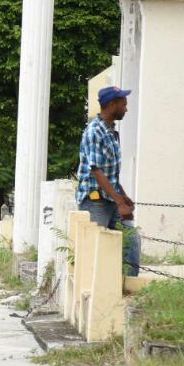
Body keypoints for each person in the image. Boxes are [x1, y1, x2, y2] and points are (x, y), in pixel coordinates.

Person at [77, 85, 141, 276]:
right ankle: (94, 293)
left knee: (131, 240)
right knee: (96, 250)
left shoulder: (111, 132)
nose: (126, 109)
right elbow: (97, 171)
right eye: (124, 104)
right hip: (95, 202)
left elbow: (111, 173)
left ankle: (128, 286)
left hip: (112, 198)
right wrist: (120, 202)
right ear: (112, 105)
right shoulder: (94, 132)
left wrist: (124, 196)